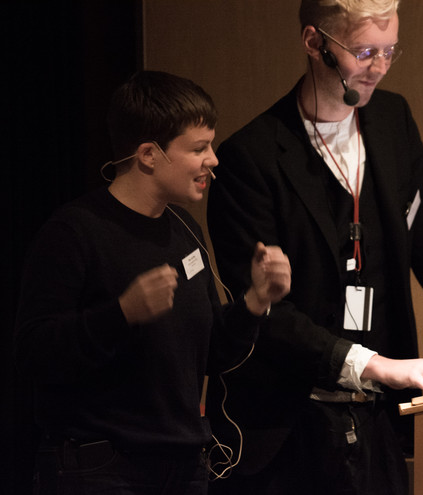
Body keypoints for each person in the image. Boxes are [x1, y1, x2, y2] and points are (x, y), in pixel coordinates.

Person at [206, 1, 423, 494]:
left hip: (376, 419)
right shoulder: (250, 158)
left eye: (390, 51)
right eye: (365, 52)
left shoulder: (393, 120)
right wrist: (376, 365)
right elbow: (266, 315)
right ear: (314, 43)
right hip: (287, 429)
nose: (380, 67)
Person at [13, 70, 291, 495]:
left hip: (184, 467)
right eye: (198, 148)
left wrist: (255, 300)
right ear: (148, 154)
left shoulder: (185, 230)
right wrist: (122, 314)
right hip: (102, 470)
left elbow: (211, 354)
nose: (213, 159)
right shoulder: (75, 232)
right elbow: (34, 354)